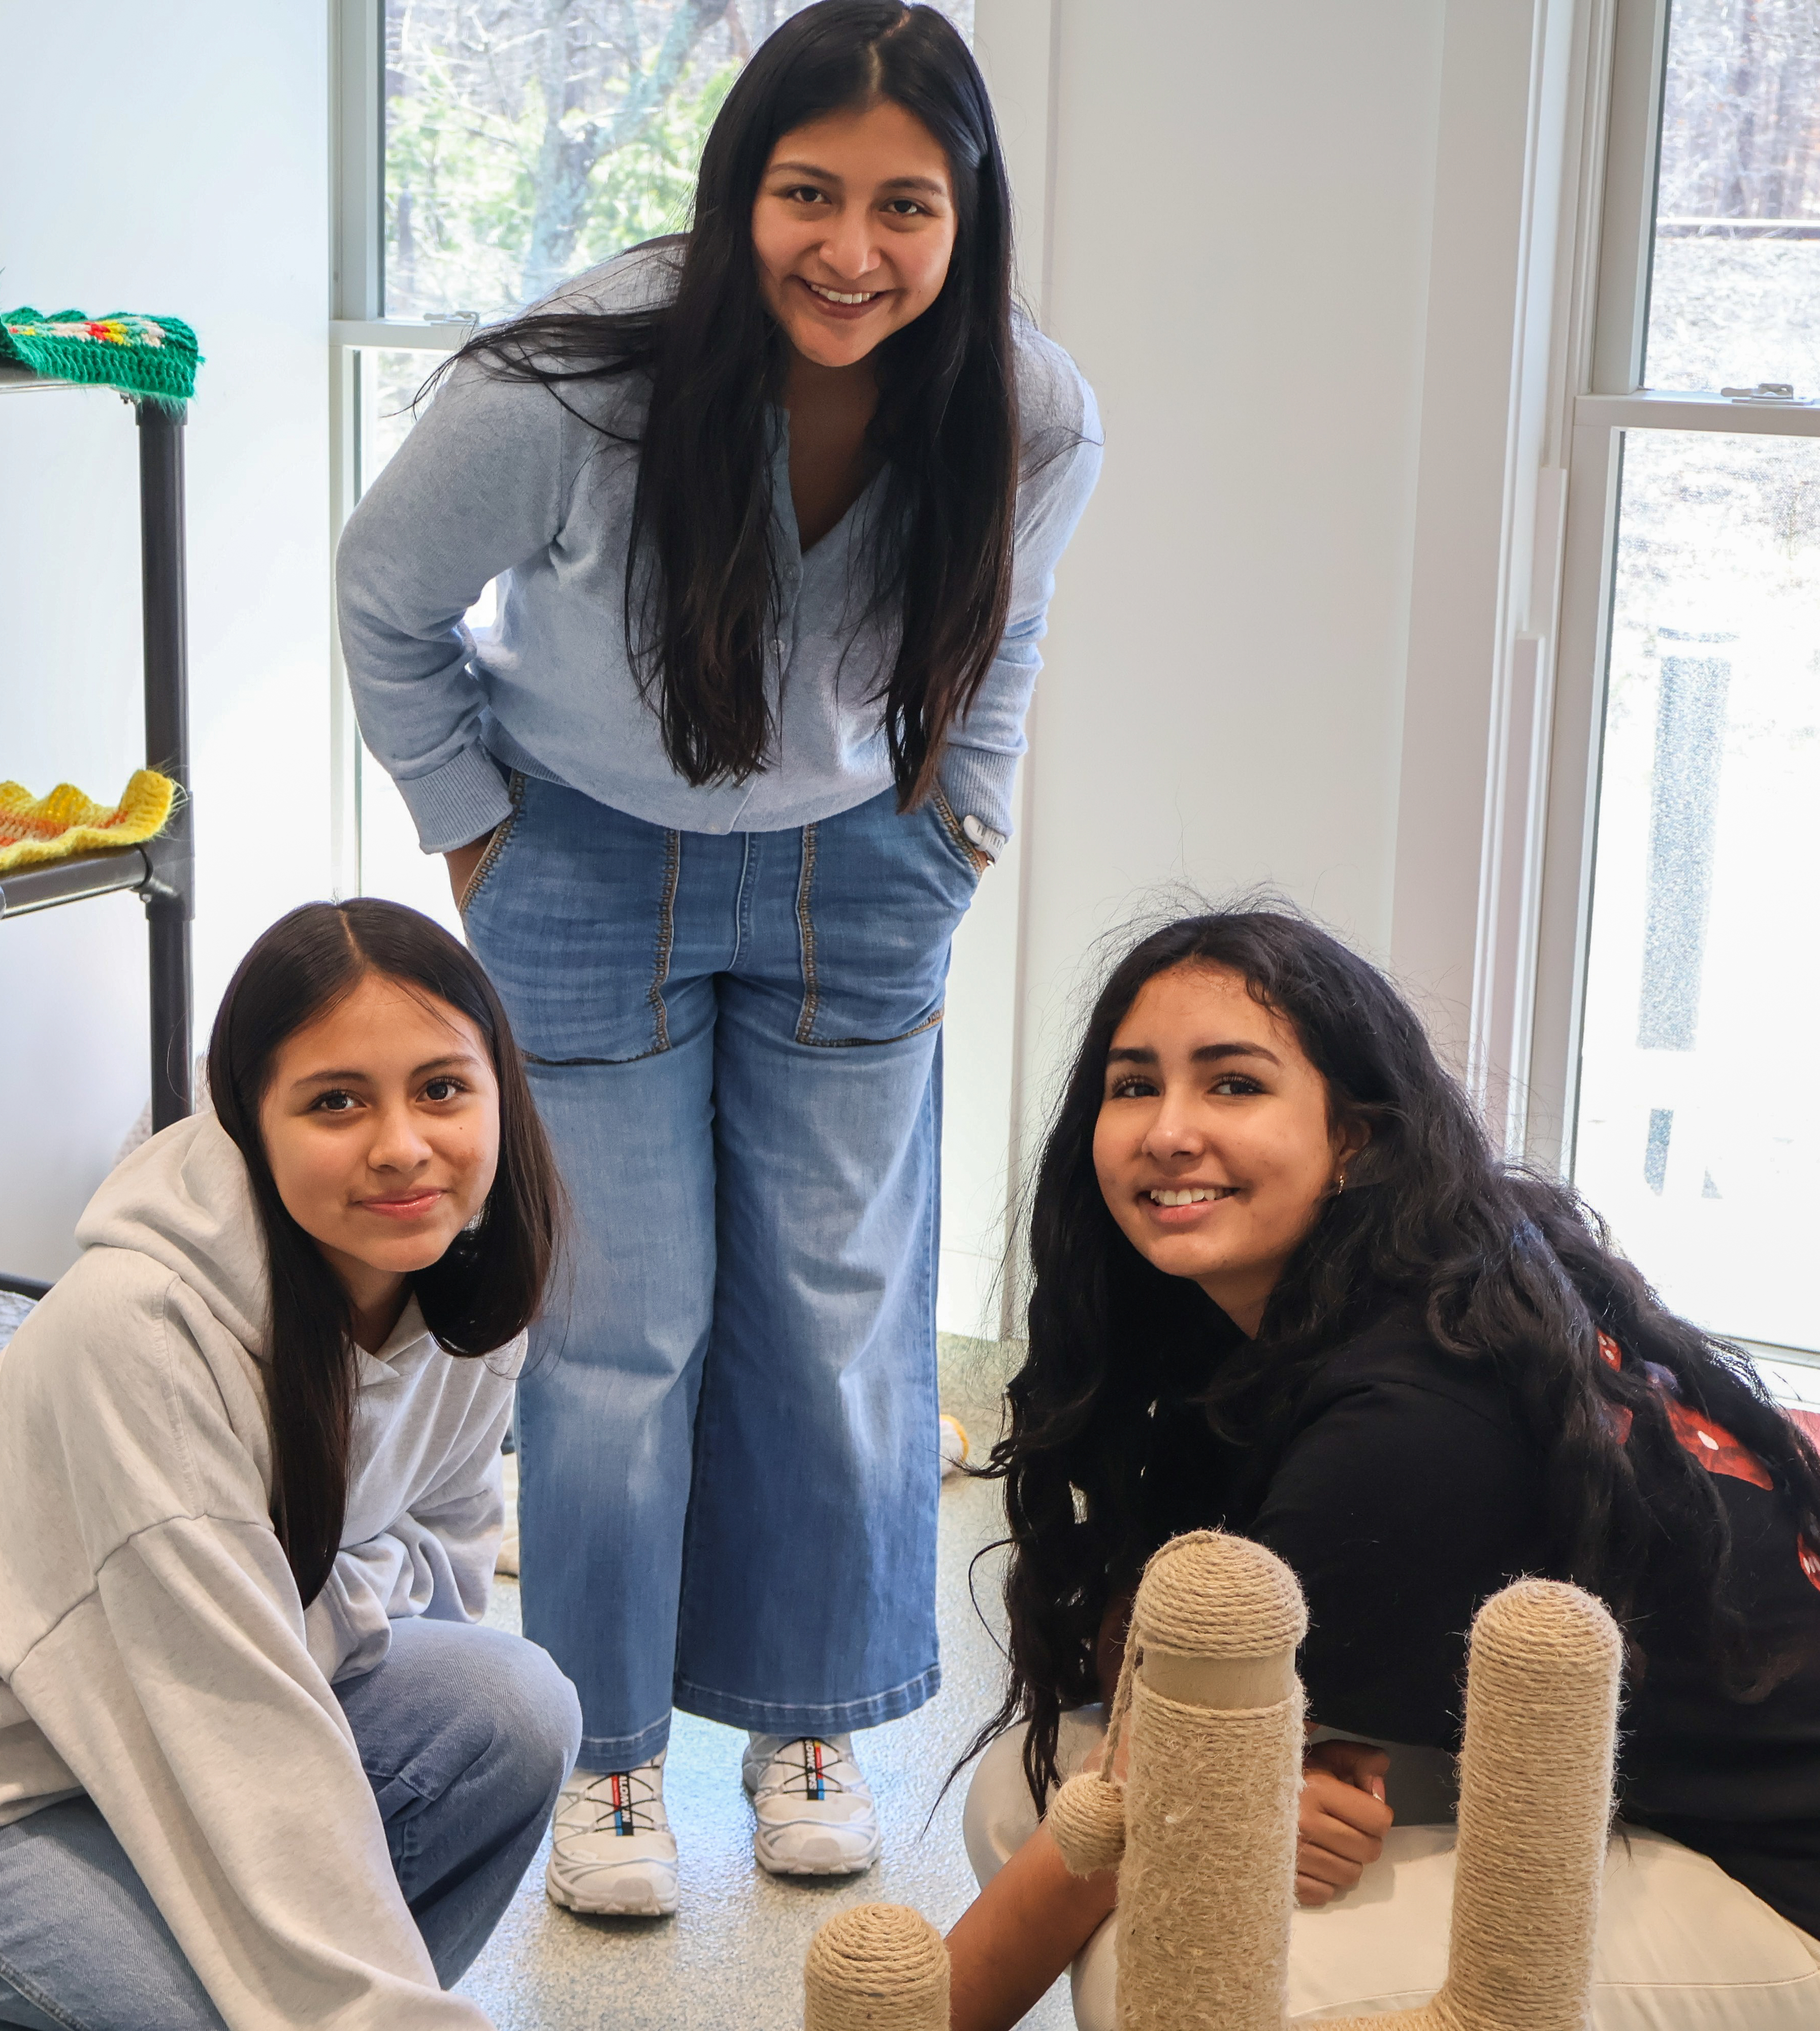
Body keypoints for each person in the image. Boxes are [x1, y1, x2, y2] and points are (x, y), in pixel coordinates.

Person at [337, 0, 1100, 1917]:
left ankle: (808, 1718)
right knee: (615, 1337)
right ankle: (603, 1750)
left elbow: (998, 640)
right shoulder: (571, 382)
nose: (851, 249)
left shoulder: (1028, 408)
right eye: (806, 194)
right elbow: (384, 590)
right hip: (581, 861)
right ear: (735, 190)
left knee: (839, 1321)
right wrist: (477, 823)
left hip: (859, 868)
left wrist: (959, 826)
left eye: (903, 206)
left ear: (965, 214)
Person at [945, 908, 1820, 2029]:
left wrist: (1219, 1778)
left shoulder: (1407, 1418)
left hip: (1783, 1888)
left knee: (1180, 1935)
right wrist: (1258, 1771)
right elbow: (1145, 1681)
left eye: (1232, 1085)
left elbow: (1136, 1807)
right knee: (1040, 1796)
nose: (1167, 1130)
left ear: (1352, 1134)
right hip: (1655, 1778)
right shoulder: (1401, 1281)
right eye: (1132, 1084)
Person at [0, 900, 579, 2031]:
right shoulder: (144, 1329)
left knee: (512, 1705)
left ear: (499, 1092)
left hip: (159, 1722)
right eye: (335, 1100)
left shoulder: (454, 1275)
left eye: (441, 1088)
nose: (401, 1144)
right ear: (248, 1119)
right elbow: (236, 1730)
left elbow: (437, 1567)